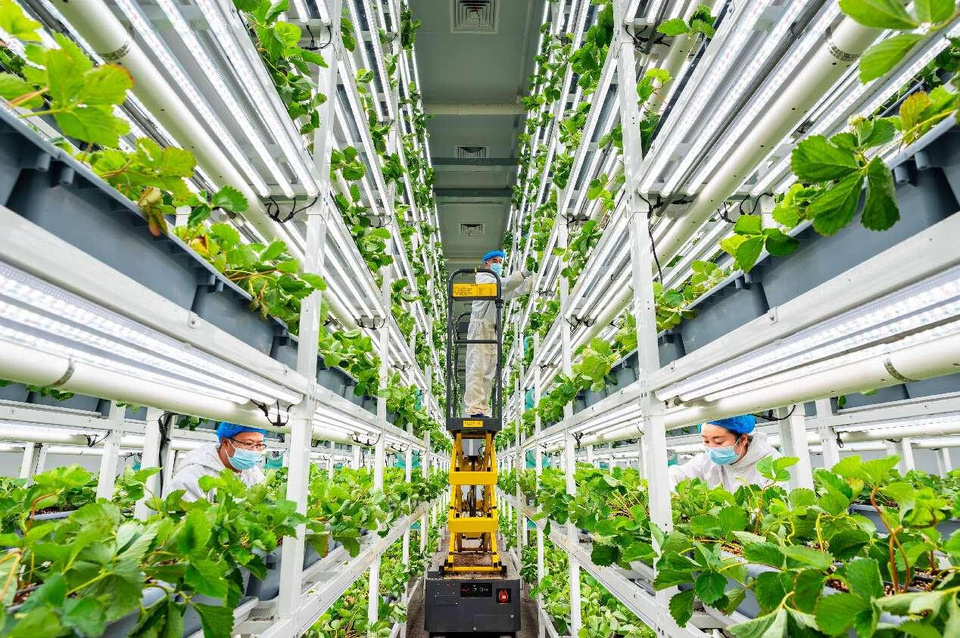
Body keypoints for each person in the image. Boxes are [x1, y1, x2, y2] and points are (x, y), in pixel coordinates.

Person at [463, 249, 533, 418]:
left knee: (488, 372)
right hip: (479, 330)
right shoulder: (484, 279)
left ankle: (482, 409)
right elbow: (502, 285)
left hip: (492, 331)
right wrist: (522, 274)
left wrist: (531, 278)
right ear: (486, 263)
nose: (498, 265)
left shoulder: (497, 282)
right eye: (495, 261)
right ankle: (473, 408)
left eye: (500, 262)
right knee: (477, 368)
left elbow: (514, 291)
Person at [668, 415, 778, 491]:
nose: (711, 448)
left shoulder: (772, 463)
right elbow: (673, 475)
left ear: (743, 440)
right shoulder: (706, 462)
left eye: (718, 442)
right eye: (706, 441)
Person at [164, 422, 267, 502]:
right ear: (225, 442)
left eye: (259, 445)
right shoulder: (192, 477)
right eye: (249, 443)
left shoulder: (254, 475)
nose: (254, 450)